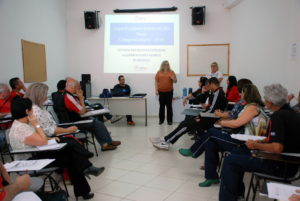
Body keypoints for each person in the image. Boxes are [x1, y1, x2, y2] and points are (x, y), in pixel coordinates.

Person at [9, 98, 104, 199]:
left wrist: (51, 138)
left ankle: (86, 175)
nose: (33, 111)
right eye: (31, 109)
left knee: (70, 151)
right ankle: (86, 175)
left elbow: (40, 139)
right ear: (27, 111)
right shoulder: (21, 128)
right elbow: (43, 141)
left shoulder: (24, 124)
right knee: (71, 156)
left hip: (37, 153)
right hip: (29, 161)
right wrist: (36, 124)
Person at [219, 83, 300, 201]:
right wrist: (262, 142)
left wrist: (255, 145)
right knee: (238, 151)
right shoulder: (293, 114)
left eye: (265, 98)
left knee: (230, 161)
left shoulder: (278, 116)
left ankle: (228, 198)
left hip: (279, 165)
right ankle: (236, 194)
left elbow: (277, 148)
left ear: (270, 102)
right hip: (290, 163)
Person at [179, 84, 269, 188]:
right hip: (242, 139)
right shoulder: (251, 106)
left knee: (212, 131)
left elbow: (237, 123)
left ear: (248, 94)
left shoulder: (252, 108)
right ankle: (211, 177)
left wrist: (223, 123)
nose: (241, 95)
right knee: (210, 143)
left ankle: (194, 151)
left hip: (245, 143)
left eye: (242, 93)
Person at [152, 77, 228, 150]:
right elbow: (210, 107)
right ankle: (166, 139)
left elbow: (212, 110)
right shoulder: (216, 92)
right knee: (183, 123)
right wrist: (202, 113)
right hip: (207, 116)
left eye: (208, 86)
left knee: (185, 125)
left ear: (212, 84)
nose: (208, 87)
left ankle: (166, 142)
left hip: (210, 119)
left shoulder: (218, 93)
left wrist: (200, 115)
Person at [25, 82, 94, 158]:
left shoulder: (39, 108)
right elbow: (49, 131)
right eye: (45, 94)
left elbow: (52, 127)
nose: (46, 97)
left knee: (71, 141)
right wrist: (68, 130)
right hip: (45, 140)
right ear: (39, 96)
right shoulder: (36, 110)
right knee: (70, 143)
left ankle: (85, 165)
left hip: (49, 136)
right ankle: (86, 164)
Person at [64, 77, 121, 151]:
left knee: (97, 123)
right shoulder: (69, 97)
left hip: (78, 117)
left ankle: (106, 144)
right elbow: (81, 111)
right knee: (97, 124)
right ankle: (108, 142)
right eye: (79, 87)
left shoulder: (70, 96)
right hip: (75, 122)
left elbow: (81, 109)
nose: (80, 89)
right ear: (74, 87)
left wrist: (83, 107)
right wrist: (81, 98)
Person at [155, 60, 177, 125]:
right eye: (164, 64)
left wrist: (173, 78)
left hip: (169, 92)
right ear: (162, 65)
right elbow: (156, 82)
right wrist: (156, 90)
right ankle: (161, 120)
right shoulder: (159, 72)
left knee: (169, 106)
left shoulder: (171, 72)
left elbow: (175, 81)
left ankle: (169, 121)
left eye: (167, 64)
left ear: (168, 65)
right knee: (161, 106)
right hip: (161, 92)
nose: (166, 65)